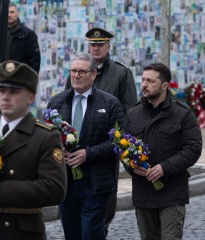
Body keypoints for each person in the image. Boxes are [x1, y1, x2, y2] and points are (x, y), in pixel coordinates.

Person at [0, 60, 67, 240]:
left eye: (14, 91)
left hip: (20, 232)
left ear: (30, 97)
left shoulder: (44, 136)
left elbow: (54, 188)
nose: (5, 97)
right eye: (2, 91)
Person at [65, 27, 137, 234]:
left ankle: (99, 229)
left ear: (108, 46)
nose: (96, 48)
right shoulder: (76, 72)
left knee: (102, 203)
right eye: (92, 44)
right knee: (72, 206)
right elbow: (64, 104)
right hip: (75, 147)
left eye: (100, 44)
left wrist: (120, 142)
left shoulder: (121, 73)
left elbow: (130, 109)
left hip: (104, 148)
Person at [47, 53, 125, 240]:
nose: (77, 75)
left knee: (91, 232)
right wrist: (59, 150)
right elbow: (46, 138)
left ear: (94, 74)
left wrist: (87, 154)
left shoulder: (110, 103)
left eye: (82, 71)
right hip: (66, 182)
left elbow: (118, 142)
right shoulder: (56, 102)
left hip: (96, 181)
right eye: (73, 71)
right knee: (71, 233)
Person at [123, 63, 202, 240]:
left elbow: (193, 149)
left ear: (164, 85)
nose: (144, 85)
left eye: (150, 81)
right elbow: (123, 150)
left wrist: (164, 168)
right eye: (143, 80)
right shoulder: (133, 114)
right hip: (143, 193)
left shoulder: (182, 113)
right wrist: (131, 167)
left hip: (172, 193)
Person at [6, 3, 41, 73]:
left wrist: (28, 81)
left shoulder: (28, 35)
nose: (9, 15)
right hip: (1, 77)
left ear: (17, 13)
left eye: (12, 12)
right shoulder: (0, 34)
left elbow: (35, 62)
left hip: (20, 79)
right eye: (7, 12)